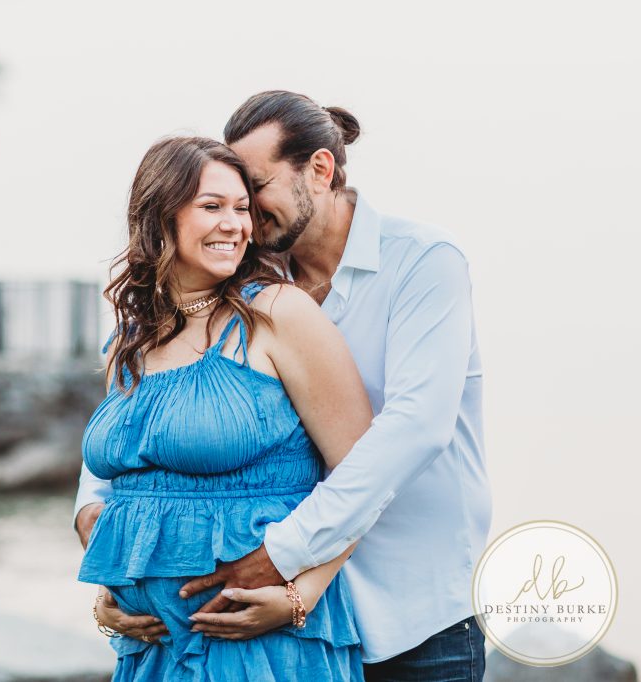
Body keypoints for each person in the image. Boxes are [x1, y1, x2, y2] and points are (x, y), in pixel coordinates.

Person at [76, 92, 492, 682]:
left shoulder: (422, 263)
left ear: (320, 170)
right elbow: (135, 437)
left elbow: (413, 430)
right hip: (246, 620)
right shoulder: (242, 284)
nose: (241, 217)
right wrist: (108, 553)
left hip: (409, 610)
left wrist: (287, 565)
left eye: (252, 192)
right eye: (219, 200)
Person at [76, 135, 373, 680]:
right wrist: (108, 593)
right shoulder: (134, 336)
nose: (235, 225)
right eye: (212, 207)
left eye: (243, 209)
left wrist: (300, 597)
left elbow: (362, 476)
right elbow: (131, 486)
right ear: (160, 216)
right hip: (153, 648)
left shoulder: (279, 313)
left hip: (262, 644)